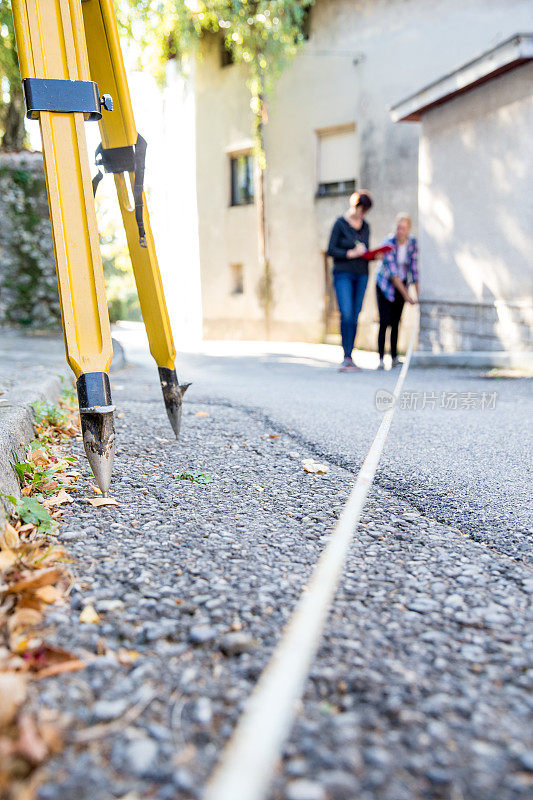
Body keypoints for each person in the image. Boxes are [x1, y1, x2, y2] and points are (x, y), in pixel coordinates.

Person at [327, 191, 373, 372]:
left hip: (361, 274)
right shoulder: (340, 224)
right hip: (343, 273)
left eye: (366, 211)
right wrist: (350, 253)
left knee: (354, 315)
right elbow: (331, 249)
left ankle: (350, 356)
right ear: (355, 206)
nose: (363, 214)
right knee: (345, 313)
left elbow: (366, 248)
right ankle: (345, 356)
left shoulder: (366, 226)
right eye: (362, 210)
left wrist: (370, 254)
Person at [375, 213, 419, 369]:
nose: (400, 231)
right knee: (384, 321)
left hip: (402, 284)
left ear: (409, 229)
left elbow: (414, 270)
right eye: (398, 228)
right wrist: (408, 296)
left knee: (396, 322)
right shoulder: (388, 243)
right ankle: (380, 358)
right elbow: (393, 274)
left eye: (404, 228)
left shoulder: (413, 243)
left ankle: (393, 356)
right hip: (385, 285)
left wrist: (418, 295)